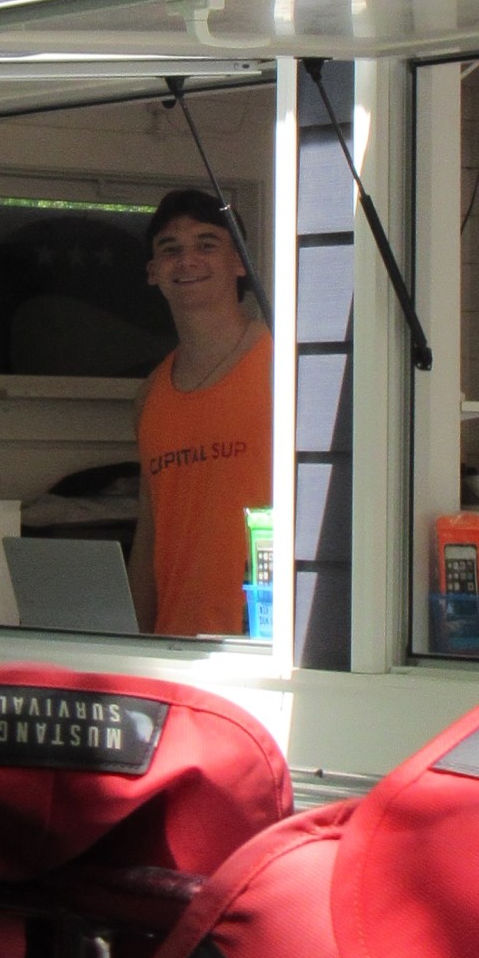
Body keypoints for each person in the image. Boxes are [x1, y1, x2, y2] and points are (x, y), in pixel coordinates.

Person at [130, 188, 273, 637]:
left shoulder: (285, 365)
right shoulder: (151, 393)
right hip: (171, 646)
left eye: (206, 244)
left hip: (264, 642)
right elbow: (149, 533)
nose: (186, 260)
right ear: (153, 272)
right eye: (170, 249)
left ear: (239, 262)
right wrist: (133, 642)